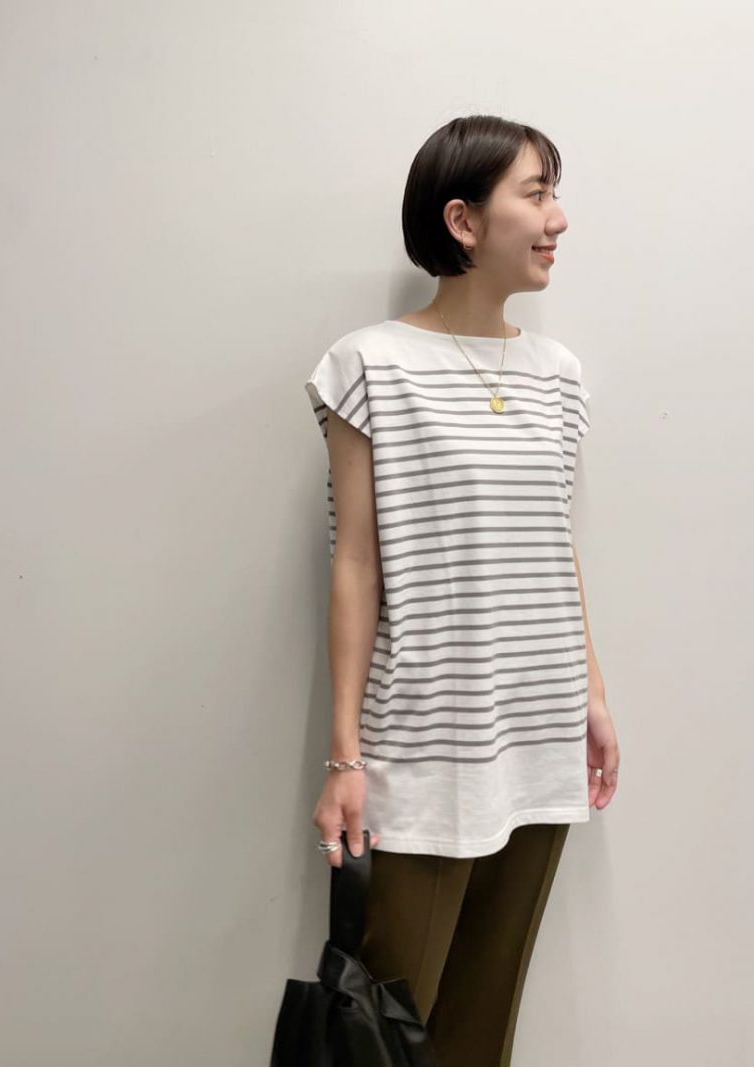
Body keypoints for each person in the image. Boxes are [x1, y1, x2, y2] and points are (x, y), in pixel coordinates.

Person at [303, 114, 620, 1065]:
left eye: (555, 193)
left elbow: (553, 547)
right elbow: (356, 562)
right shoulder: (369, 364)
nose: (559, 217)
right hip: (426, 742)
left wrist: (593, 695)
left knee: (482, 1027)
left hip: (542, 732)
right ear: (464, 220)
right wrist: (345, 755)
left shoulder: (559, 376)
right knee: (385, 1024)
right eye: (536, 193)